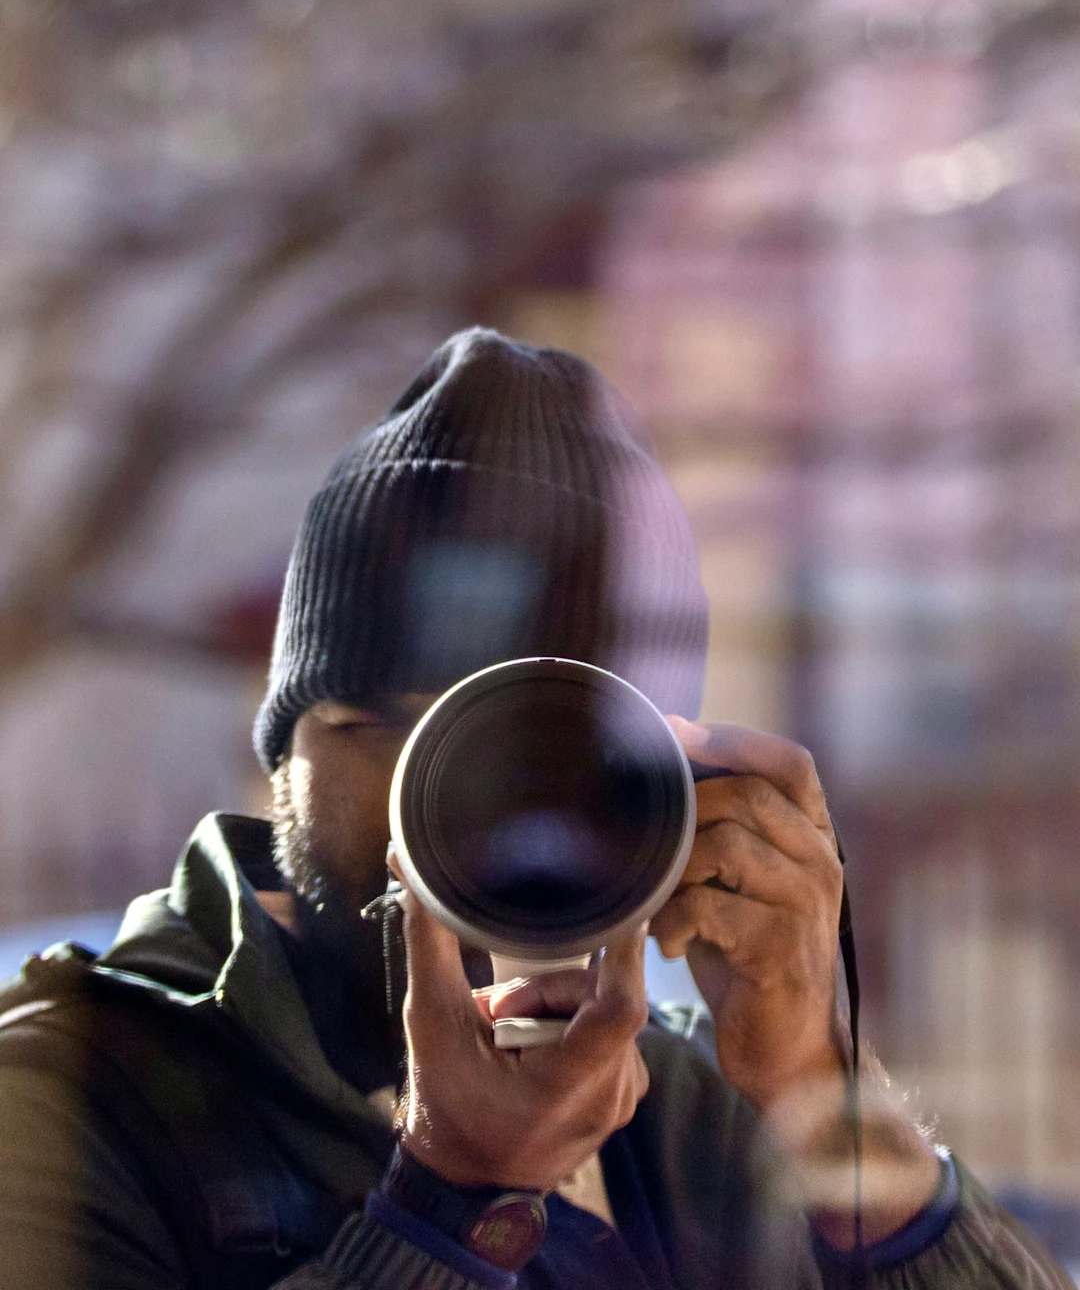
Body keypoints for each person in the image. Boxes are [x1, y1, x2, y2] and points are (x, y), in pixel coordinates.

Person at [0, 328, 1069, 1289]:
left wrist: (823, 1100)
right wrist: (451, 1206)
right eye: (391, 729)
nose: (456, 805)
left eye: (529, 749)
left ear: (657, 781)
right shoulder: (70, 1100)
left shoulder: (707, 1115)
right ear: (282, 751)